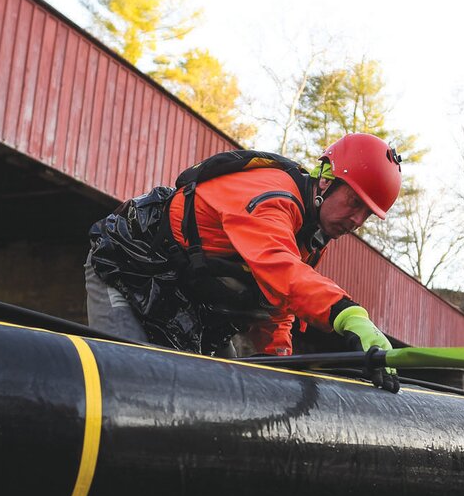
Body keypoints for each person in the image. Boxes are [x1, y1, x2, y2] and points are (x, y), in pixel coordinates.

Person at [84, 132, 402, 359]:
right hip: (126, 272)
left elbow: (275, 302)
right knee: (136, 382)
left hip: (184, 307)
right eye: (354, 202)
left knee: (235, 394)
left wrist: (276, 356)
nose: (357, 219)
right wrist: (348, 314)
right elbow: (282, 271)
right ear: (326, 181)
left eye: (367, 214)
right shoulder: (274, 198)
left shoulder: (311, 239)